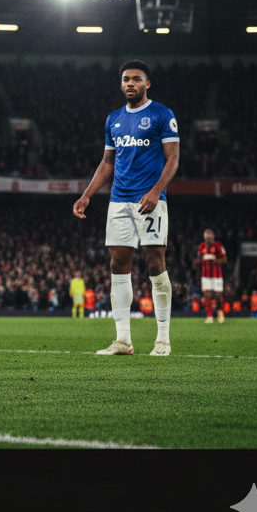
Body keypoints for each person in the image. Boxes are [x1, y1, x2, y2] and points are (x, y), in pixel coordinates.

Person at [73, 60, 179, 356]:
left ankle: (163, 340)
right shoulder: (113, 119)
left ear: (147, 84)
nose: (130, 83)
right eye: (125, 79)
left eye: (136, 79)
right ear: (121, 85)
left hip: (150, 201)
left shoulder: (162, 114)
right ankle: (123, 340)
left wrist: (157, 191)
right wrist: (87, 195)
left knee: (156, 264)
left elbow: (173, 159)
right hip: (119, 200)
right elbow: (107, 163)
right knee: (118, 266)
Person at [197, 228, 227, 323]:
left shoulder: (218, 246)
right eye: (206, 237)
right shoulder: (201, 247)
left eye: (210, 237)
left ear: (213, 237)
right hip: (205, 275)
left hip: (216, 275)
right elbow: (199, 259)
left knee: (218, 295)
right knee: (207, 295)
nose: (208, 239)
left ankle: (220, 311)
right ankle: (209, 316)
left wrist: (215, 260)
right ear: (204, 237)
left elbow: (224, 259)